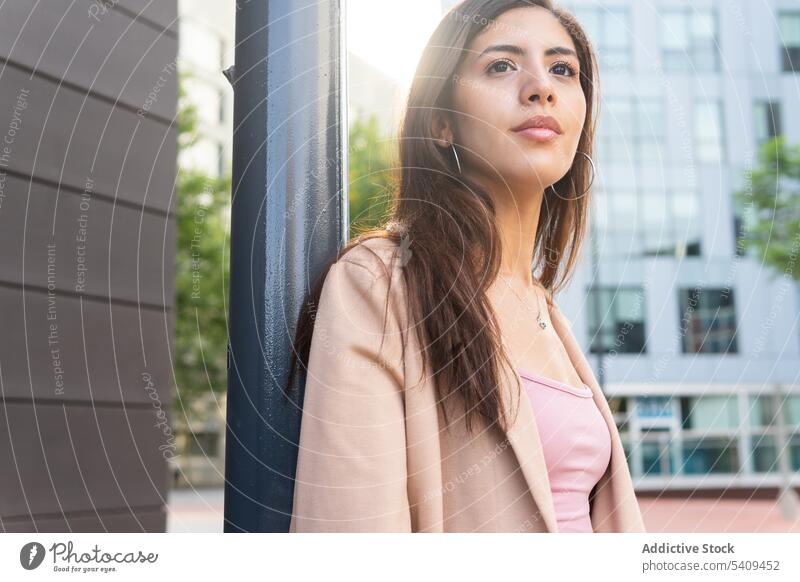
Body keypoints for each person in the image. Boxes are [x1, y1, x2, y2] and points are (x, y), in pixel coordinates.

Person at [286, 0, 646, 533]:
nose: (540, 87)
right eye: (501, 65)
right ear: (441, 124)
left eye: (562, 69)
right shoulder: (380, 285)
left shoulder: (544, 306)